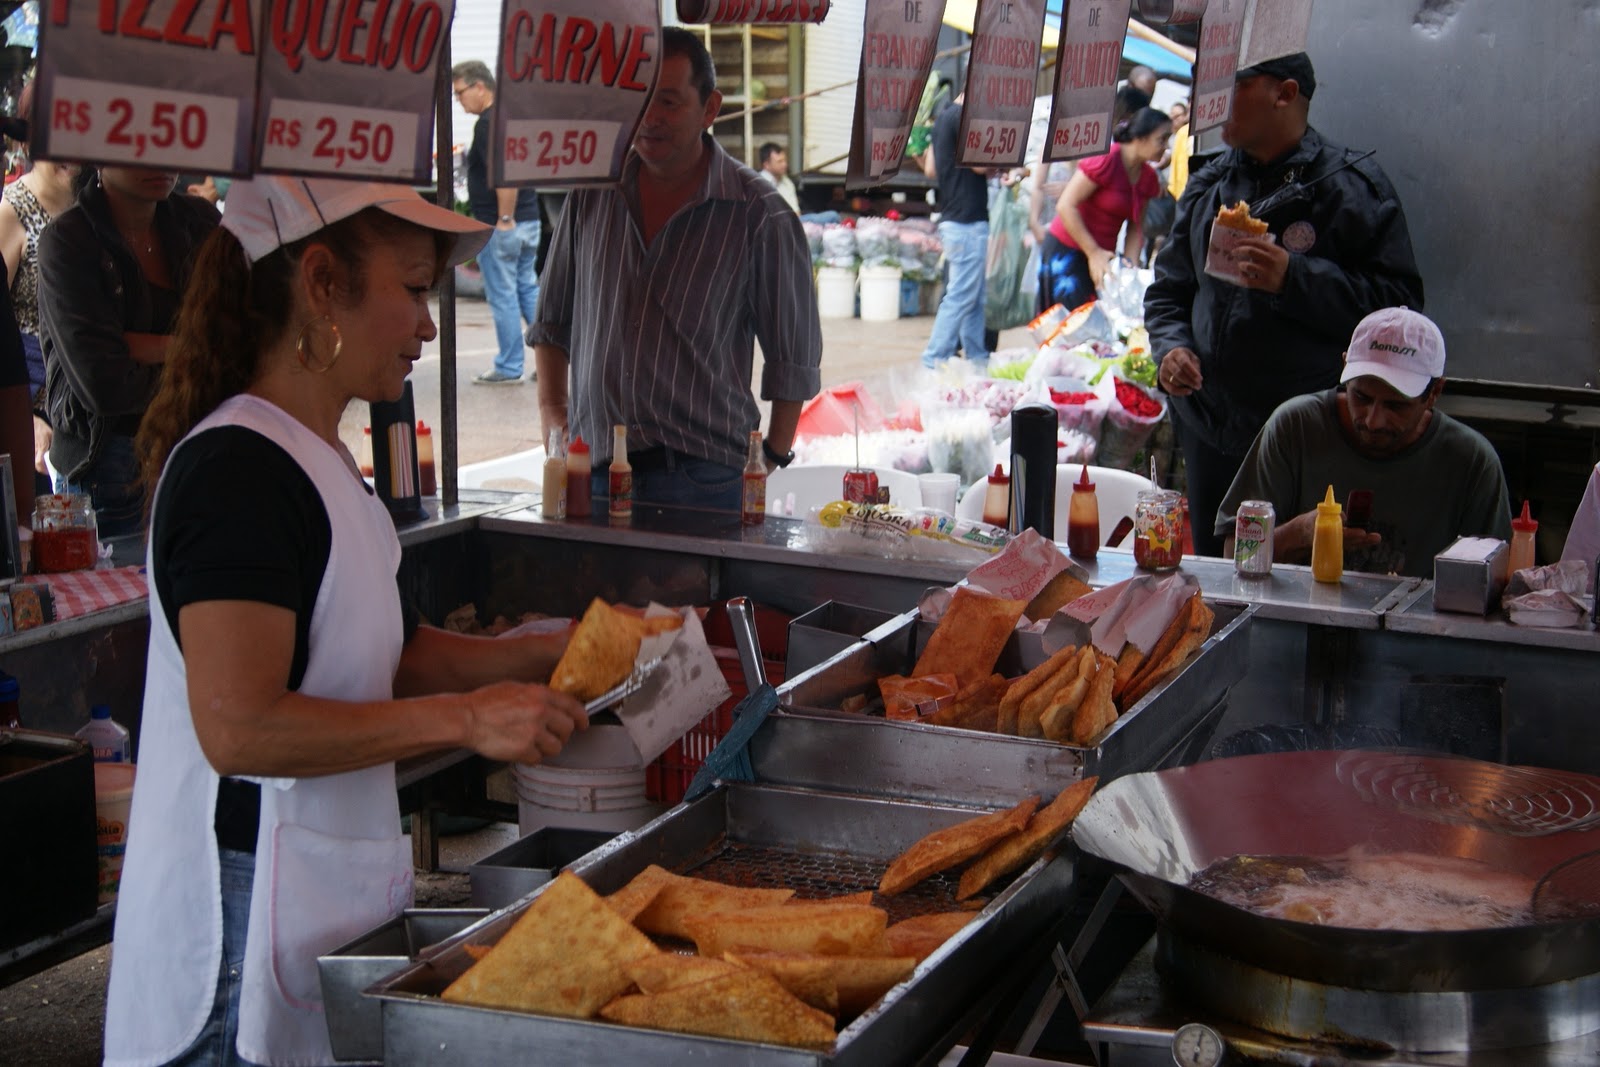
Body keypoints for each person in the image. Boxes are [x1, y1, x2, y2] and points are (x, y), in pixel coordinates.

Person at [103, 176, 589, 1066]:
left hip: (308, 901)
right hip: (229, 937)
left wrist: (552, 649)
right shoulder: (237, 473)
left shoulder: (319, 457)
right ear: (321, 282)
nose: (430, 327)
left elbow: (388, 657)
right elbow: (239, 726)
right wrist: (469, 721)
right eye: (412, 290)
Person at [1146, 52, 1424, 556]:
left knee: (1294, 579)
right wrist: (1171, 349)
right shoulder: (1208, 184)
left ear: (1285, 93)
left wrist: (1293, 278)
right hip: (1210, 429)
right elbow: (1169, 291)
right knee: (1217, 578)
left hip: (1307, 440)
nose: (1209, 104)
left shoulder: (1352, 189)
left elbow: (1399, 313)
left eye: (1228, 87)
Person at [531, 28, 820, 510]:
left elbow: (794, 357)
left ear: (710, 108)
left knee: (700, 592)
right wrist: (552, 410)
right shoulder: (592, 191)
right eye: (639, 101)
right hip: (595, 470)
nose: (649, 119)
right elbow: (552, 319)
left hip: (703, 477)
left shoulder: (758, 212)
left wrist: (770, 456)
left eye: (667, 102)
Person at [1217, 307, 1510, 578]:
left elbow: (1495, 581)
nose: (1373, 420)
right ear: (1344, 368)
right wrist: (1301, 534)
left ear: (1435, 392)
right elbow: (1232, 556)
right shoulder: (1294, 428)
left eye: (1396, 406)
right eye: (1362, 397)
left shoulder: (1471, 462)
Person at [36, 168, 219, 536]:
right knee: (119, 591)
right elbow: (103, 384)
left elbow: (237, 337)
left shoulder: (200, 221)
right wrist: (192, 349)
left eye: (168, 136)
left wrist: (136, 345)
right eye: (137, 141)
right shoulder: (66, 240)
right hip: (107, 466)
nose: (158, 159)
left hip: (199, 448)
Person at [453, 59, 543, 385]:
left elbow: (505, 173)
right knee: (527, 290)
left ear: (480, 86)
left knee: (503, 295)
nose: (460, 102)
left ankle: (508, 366)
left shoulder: (490, 123)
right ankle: (553, 360)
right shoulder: (511, 118)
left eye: (460, 93)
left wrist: (504, 218)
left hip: (504, 223)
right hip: (528, 219)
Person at [1038, 108, 1171, 313]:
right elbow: (1065, 205)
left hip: (1102, 258)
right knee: (1069, 328)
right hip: (1068, 250)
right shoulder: (1108, 158)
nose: (1166, 147)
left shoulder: (1147, 177)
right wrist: (1093, 252)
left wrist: (1129, 270)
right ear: (1141, 137)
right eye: (1162, 139)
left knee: (1100, 326)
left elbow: (1136, 228)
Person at [0, 155, 76, 498]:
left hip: (78, 421)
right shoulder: (12, 210)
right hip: (32, 415)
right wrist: (26, 420)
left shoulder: (93, 207)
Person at [918, 92, 991, 369]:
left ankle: (977, 358)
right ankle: (934, 359)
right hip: (967, 219)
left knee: (973, 296)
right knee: (961, 295)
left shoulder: (943, 118)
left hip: (954, 216)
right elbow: (979, 164)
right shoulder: (964, 117)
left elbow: (931, 170)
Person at [757, 142, 800, 213]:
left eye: (785, 160)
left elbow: (796, 212)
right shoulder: (757, 184)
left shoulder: (787, 182)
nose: (785, 165)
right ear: (766, 165)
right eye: (779, 161)